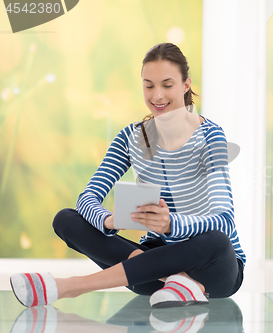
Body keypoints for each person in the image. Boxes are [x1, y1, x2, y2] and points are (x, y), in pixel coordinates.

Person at [10, 43, 245, 308]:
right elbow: (87, 198)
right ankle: (176, 282)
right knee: (66, 220)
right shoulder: (131, 137)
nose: (157, 95)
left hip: (213, 271)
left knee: (217, 241)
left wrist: (170, 225)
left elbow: (224, 220)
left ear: (185, 85)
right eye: (149, 85)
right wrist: (109, 220)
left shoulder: (209, 136)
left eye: (167, 85)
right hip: (150, 263)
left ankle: (68, 286)